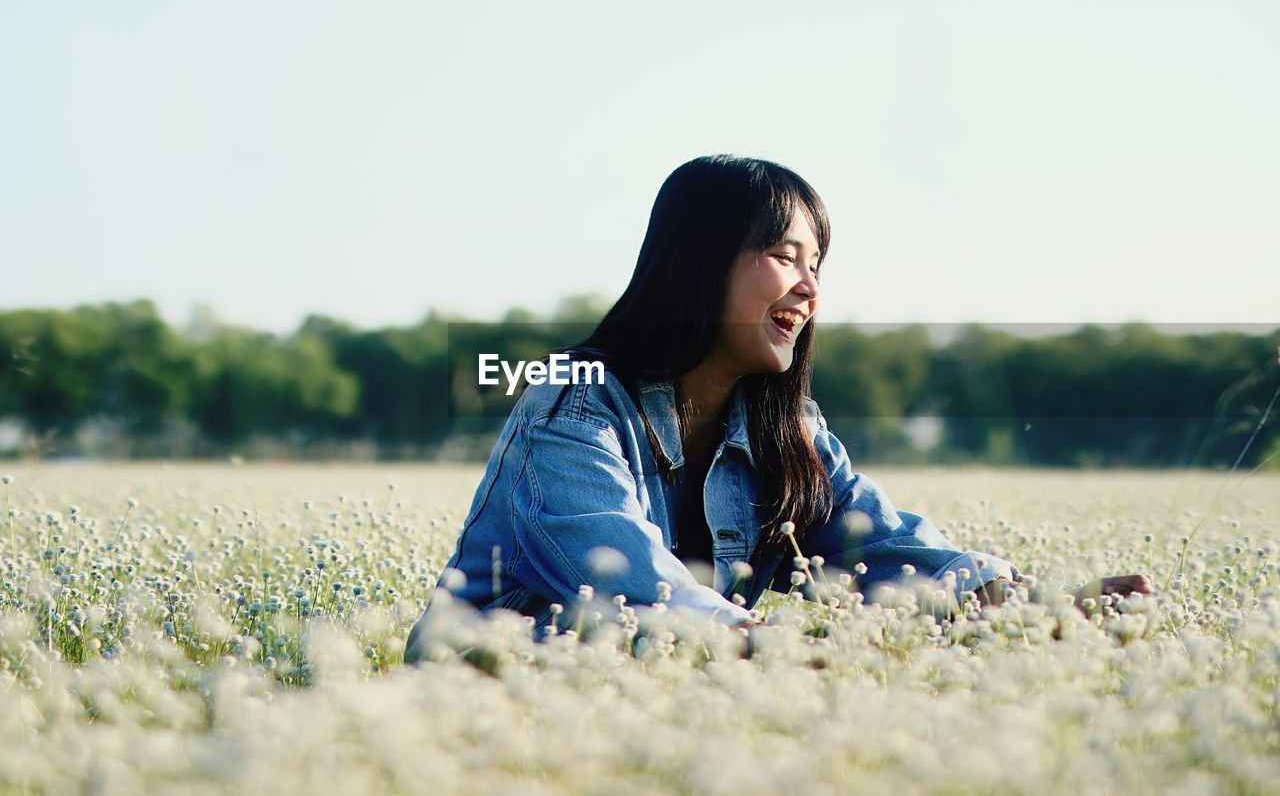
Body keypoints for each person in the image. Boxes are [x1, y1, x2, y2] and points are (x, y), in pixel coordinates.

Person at [404, 155, 1152, 665]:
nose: (808, 288)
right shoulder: (575, 409)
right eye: (785, 255)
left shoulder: (783, 432)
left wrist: (1042, 605)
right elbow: (637, 592)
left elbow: (890, 550)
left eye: (816, 265)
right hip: (485, 721)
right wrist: (780, 657)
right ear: (698, 261)